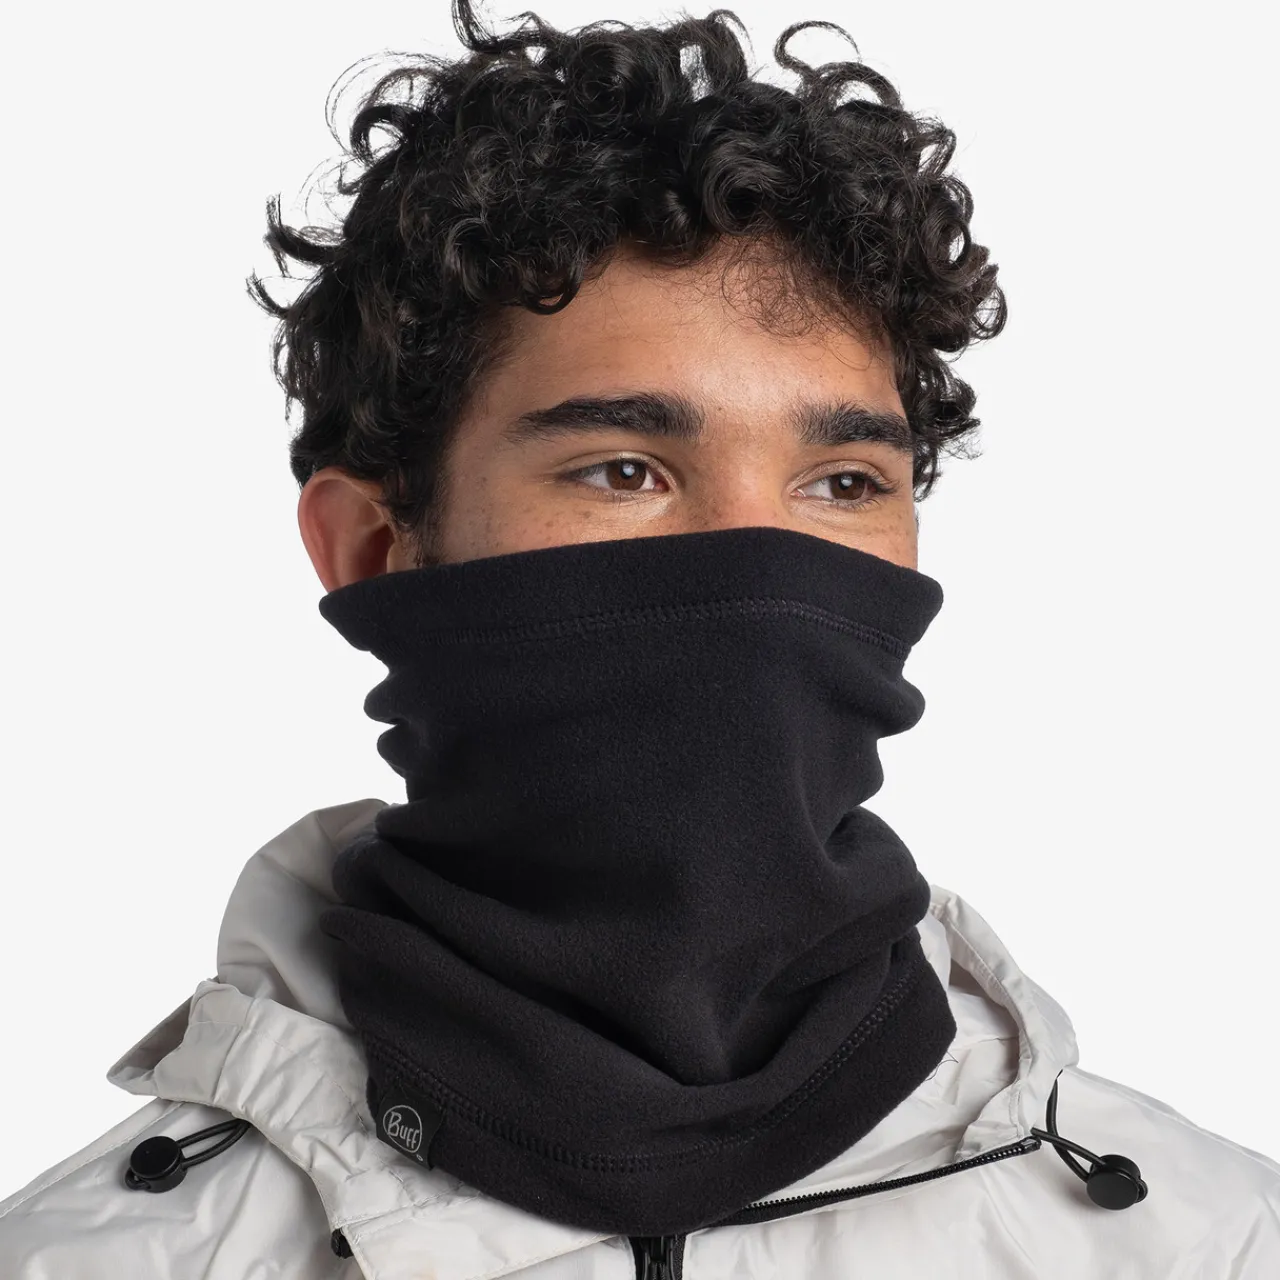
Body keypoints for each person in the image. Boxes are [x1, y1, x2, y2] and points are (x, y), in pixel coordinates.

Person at [2, 0, 1277, 1274]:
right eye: (623, 469)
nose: (754, 561)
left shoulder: (1204, 1242)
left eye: (841, 483)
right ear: (375, 547)